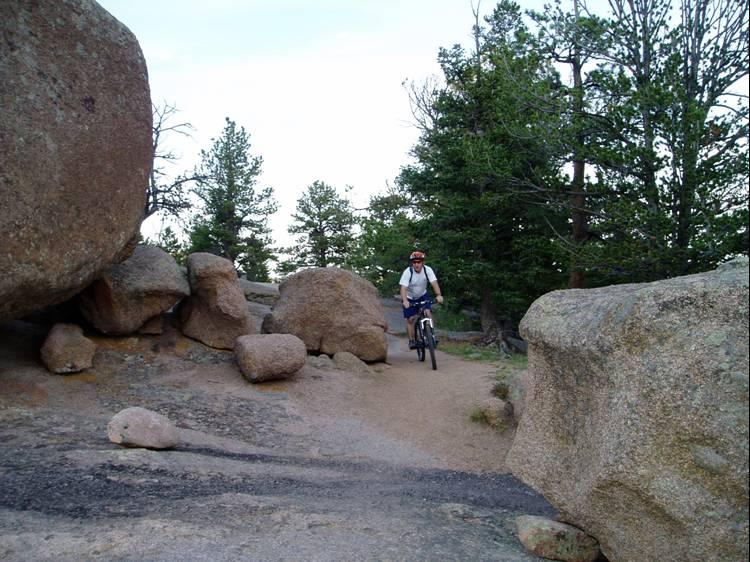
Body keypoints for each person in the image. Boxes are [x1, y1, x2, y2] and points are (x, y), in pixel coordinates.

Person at [399, 251, 443, 349]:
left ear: (422, 262)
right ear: (412, 263)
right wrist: (405, 301)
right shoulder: (408, 272)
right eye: (414, 262)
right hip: (409, 297)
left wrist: (439, 295)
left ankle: (431, 336)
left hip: (423, 295)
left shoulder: (428, 270)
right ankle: (411, 340)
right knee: (410, 319)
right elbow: (403, 288)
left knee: (428, 312)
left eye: (419, 262)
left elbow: (434, 283)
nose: (416, 264)